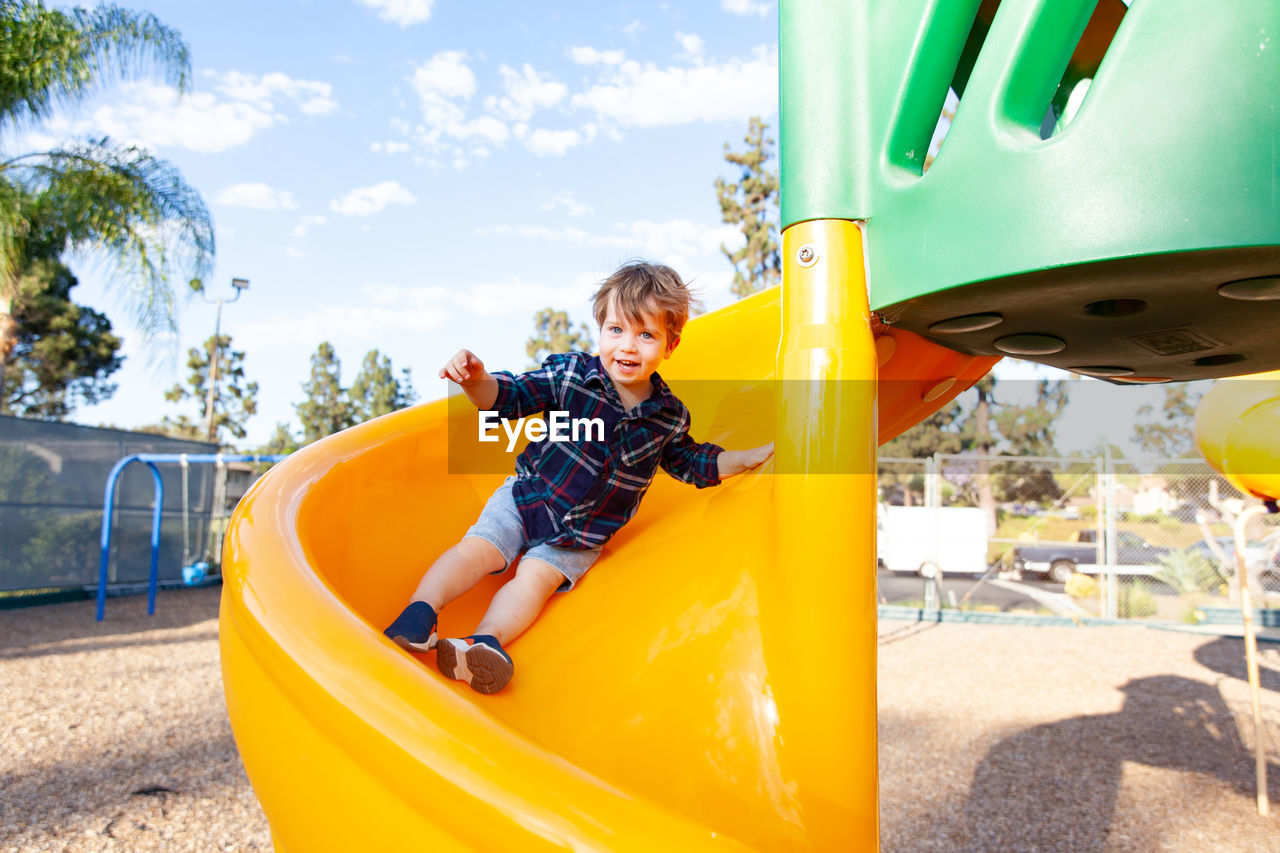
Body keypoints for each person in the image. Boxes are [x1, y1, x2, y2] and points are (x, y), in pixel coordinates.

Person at [384, 261, 774, 693]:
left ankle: (484, 643)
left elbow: (692, 463)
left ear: (671, 344)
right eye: (616, 330)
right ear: (600, 330)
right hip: (528, 497)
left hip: (580, 537)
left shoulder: (668, 416)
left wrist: (744, 459)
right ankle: (420, 612)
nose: (628, 346)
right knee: (480, 550)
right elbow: (510, 397)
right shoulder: (571, 375)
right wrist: (477, 380)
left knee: (533, 581)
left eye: (646, 335)